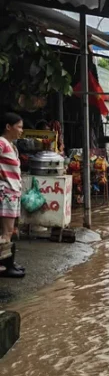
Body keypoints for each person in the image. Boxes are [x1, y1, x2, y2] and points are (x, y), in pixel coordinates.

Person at [0, 113, 24, 278]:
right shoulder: (2, 142)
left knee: (9, 230)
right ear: (8, 127)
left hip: (13, 192)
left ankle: (8, 263)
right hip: (7, 192)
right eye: (19, 127)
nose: (21, 131)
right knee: (6, 232)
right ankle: (5, 266)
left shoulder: (11, 146)